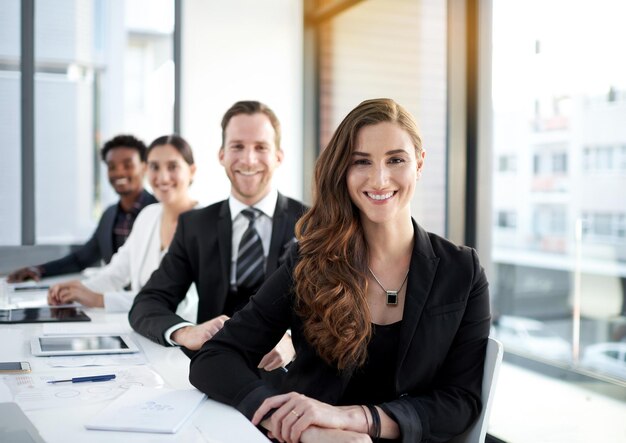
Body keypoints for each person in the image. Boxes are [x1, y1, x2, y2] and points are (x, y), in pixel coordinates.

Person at [189, 98, 491, 443]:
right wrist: (292, 424)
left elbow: (462, 400)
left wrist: (352, 419)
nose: (379, 179)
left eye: (396, 160)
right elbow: (215, 357)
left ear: (419, 164)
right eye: (361, 162)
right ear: (343, 172)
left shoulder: (461, 270)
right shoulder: (310, 259)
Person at [129, 101, 307, 372]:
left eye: (261, 147)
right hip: (213, 372)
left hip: (289, 381)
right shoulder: (195, 225)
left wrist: (295, 340)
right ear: (222, 154)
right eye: (237, 147)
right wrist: (186, 332)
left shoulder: (312, 224)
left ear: (279, 156)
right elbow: (146, 303)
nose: (248, 160)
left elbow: (339, 315)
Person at [47, 135, 199, 320]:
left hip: (186, 335)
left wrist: (99, 299)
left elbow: (179, 301)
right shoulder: (148, 215)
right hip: (142, 327)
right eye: (154, 167)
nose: (162, 177)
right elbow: (117, 271)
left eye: (173, 166)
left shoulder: (205, 222)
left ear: (192, 171)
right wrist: (77, 288)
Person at [7, 135, 157, 283]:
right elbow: (81, 259)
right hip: (115, 301)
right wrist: (37, 270)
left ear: (144, 167)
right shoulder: (109, 216)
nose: (119, 172)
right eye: (112, 167)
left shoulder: (160, 210)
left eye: (127, 165)